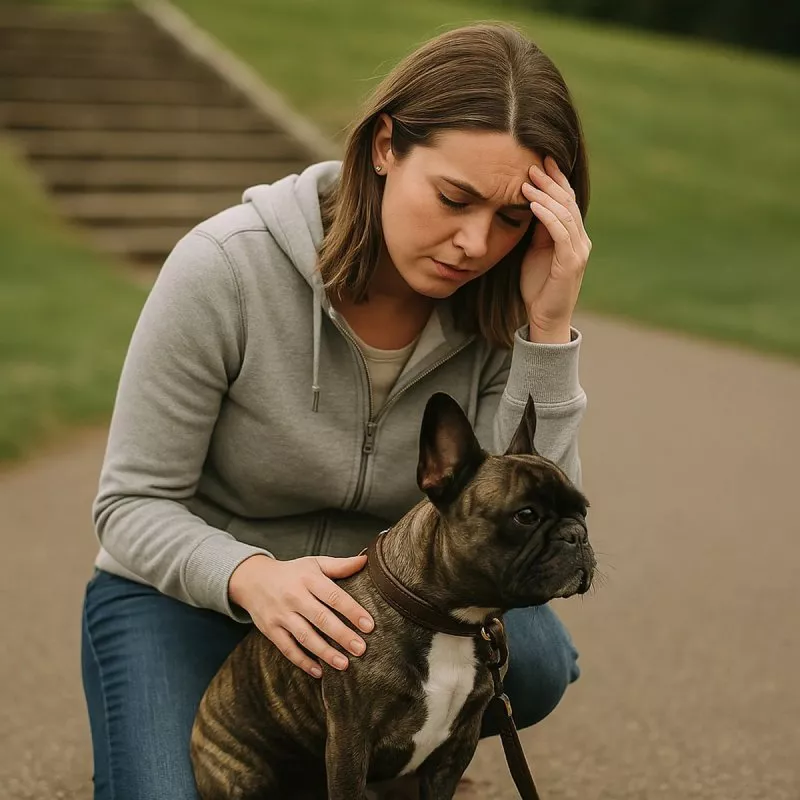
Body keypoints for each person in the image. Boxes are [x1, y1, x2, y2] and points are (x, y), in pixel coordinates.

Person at [80, 20, 593, 799]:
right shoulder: (225, 268)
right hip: (191, 596)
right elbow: (129, 505)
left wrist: (547, 330)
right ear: (385, 146)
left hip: (376, 618)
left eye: (511, 219)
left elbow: (531, 504)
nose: (473, 243)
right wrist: (250, 576)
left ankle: (362, 748)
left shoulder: (497, 313)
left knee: (539, 659)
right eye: (454, 198)